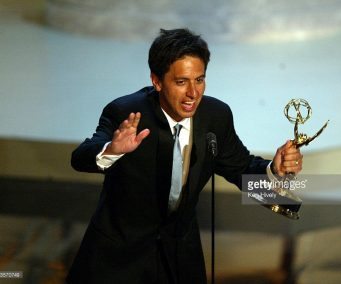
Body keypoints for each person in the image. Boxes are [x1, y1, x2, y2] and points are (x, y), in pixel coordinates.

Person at [66, 28, 303, 284]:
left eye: (199, 80)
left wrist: (275, 170)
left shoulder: (216, 116)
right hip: (117, 260)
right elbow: (80, 157)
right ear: (157, 81)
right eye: (181, 82)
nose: (193, 93)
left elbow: (241, 169)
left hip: (180, 259)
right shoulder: (126, 112)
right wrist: (112, 150)